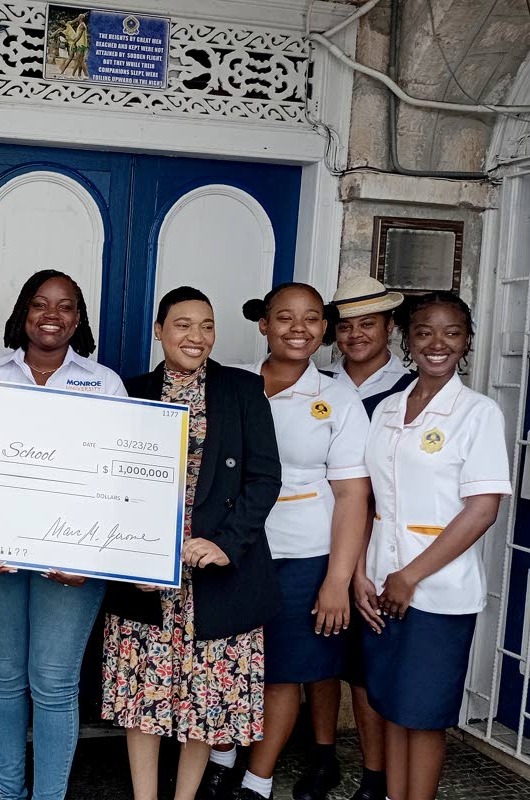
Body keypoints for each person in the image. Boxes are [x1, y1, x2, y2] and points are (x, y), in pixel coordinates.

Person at [103, 286, 282, 800]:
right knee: (144, 698)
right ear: (159, 331)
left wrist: (226, 543)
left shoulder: (243, 391)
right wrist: (128, 558)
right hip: (146, 577)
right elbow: (109, 485)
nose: (196, 336)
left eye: (206, 326)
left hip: (215, 574)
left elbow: (264, 477)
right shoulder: (130, 392)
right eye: (182, 324)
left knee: (206, 702)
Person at [0, 269, 125, 800]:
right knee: (4, 678)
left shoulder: (104, 384)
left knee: (53, 683)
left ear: (78, 319)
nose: (51, 316)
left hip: (72, 563)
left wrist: (94, 557)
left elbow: (120, 480)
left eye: (64, 306)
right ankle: (10, 794)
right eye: (39, 304)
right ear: (22, 314)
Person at [208, 283, 371, 800]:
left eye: (311, 319)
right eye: (284, 317)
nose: (297, 329)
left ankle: (258, 779)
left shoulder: (338, 399)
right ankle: (221, 757)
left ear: (324, 329)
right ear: (263, 324)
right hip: (233, 548)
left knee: (281, 672)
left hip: (302, 555)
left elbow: (351, 498)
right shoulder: (232, 383)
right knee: (228, 658)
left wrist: (337, 580)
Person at [359, 292, 510, 800]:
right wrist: (361, 573)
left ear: (466, 342)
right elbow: (369, 500)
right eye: (424, 331)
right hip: (381, 584)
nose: (437, 343)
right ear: (408, 340)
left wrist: (410, 576)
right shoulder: (385, 410)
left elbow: (481, 511)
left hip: (438, 593)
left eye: (451, 333)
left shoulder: (477, 413)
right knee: (393, 708)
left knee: (423, 717)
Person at [295, 276, 409, 800]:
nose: (357, 335)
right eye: (346, 326)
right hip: (326, 538)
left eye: (369, 323)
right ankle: (321, 756)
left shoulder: (410, 390)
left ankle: (375, 775)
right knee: (321, 655)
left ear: (389, 326)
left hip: (383, 547)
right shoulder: (321, 385)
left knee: (366, 667)